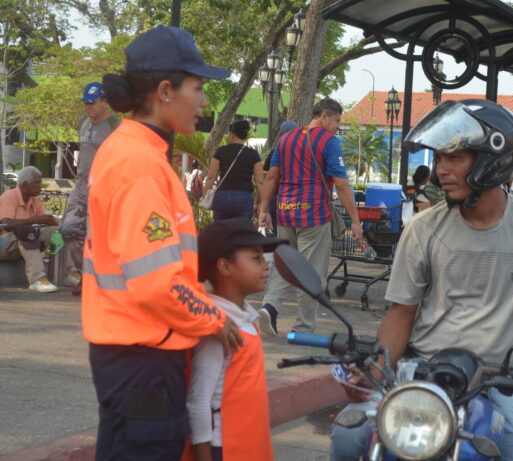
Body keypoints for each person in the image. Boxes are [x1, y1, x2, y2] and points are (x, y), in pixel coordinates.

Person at [331, 100, 513, 461]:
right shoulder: (423, 227)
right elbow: (401, 314)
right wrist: (376, 370)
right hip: (426, 376)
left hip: (505, 381)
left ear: (491, 161)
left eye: (456, 158)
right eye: (439, 159)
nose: (442, 170)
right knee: (348, 435)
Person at [83, 25, 242, 460]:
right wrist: (213, 317)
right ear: (166, 91)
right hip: (144, 361)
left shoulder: (133, 153)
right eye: (199, 88)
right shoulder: (139, 166)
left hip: (128, 354)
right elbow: (156, 283)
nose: (205, 102)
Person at [257, 98, 363, 335]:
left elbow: (272, 177)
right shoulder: (328, 142)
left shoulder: (286, 139)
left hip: (285, 212)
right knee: (311, 272)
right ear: (324, 116)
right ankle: (303, 328)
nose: (337, 127)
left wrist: (264, 211)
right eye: (337, 121)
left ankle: (269, 308)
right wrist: (355, 221)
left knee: (284, 266)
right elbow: (342, 185)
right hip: (313, 214)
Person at [187, 218, 287, 461]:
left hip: (248, 445)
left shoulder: (242, 319)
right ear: (225, 266)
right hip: (226, 448)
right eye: (256, 258)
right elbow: (198, 401)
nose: (266, 266)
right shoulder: (219, 326)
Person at [60, 82, 120, 296]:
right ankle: (86, 274)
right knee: (68, 229)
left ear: (105, 102)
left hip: (105, 187)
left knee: (99, 236)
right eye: (85, 102)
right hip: (81, 185)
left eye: (92, 102)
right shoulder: (82, 122)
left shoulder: (116, 126)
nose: (87, 106)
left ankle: (98, 279)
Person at [0, 166, 79, 292]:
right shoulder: (9, 197)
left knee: (58, 231)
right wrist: (34, 220)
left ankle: (69, 274)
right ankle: (37, 279)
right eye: (37, 183)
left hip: (23, 241)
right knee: (26, 231)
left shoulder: (33, 200)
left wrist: (52, 221)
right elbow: (5, 224)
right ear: (25, 184)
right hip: (4, 244)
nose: (40, 186)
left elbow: (43, 218)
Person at [203, 120, 263, 220]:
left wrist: (204, 195)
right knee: (242, 232)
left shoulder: (221, 151)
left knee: (221, 231)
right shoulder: (253, 154)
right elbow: (260, 182)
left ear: (232, 134)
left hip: (222, 196)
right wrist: (261, 203)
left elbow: (211, 177)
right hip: (243, 197)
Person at [263, 120, 298, 231]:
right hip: (299, 200)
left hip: (278, 199)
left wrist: (262, 205)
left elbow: (267, 179)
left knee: (279, 236)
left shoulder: (274, 153)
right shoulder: (303, 153)